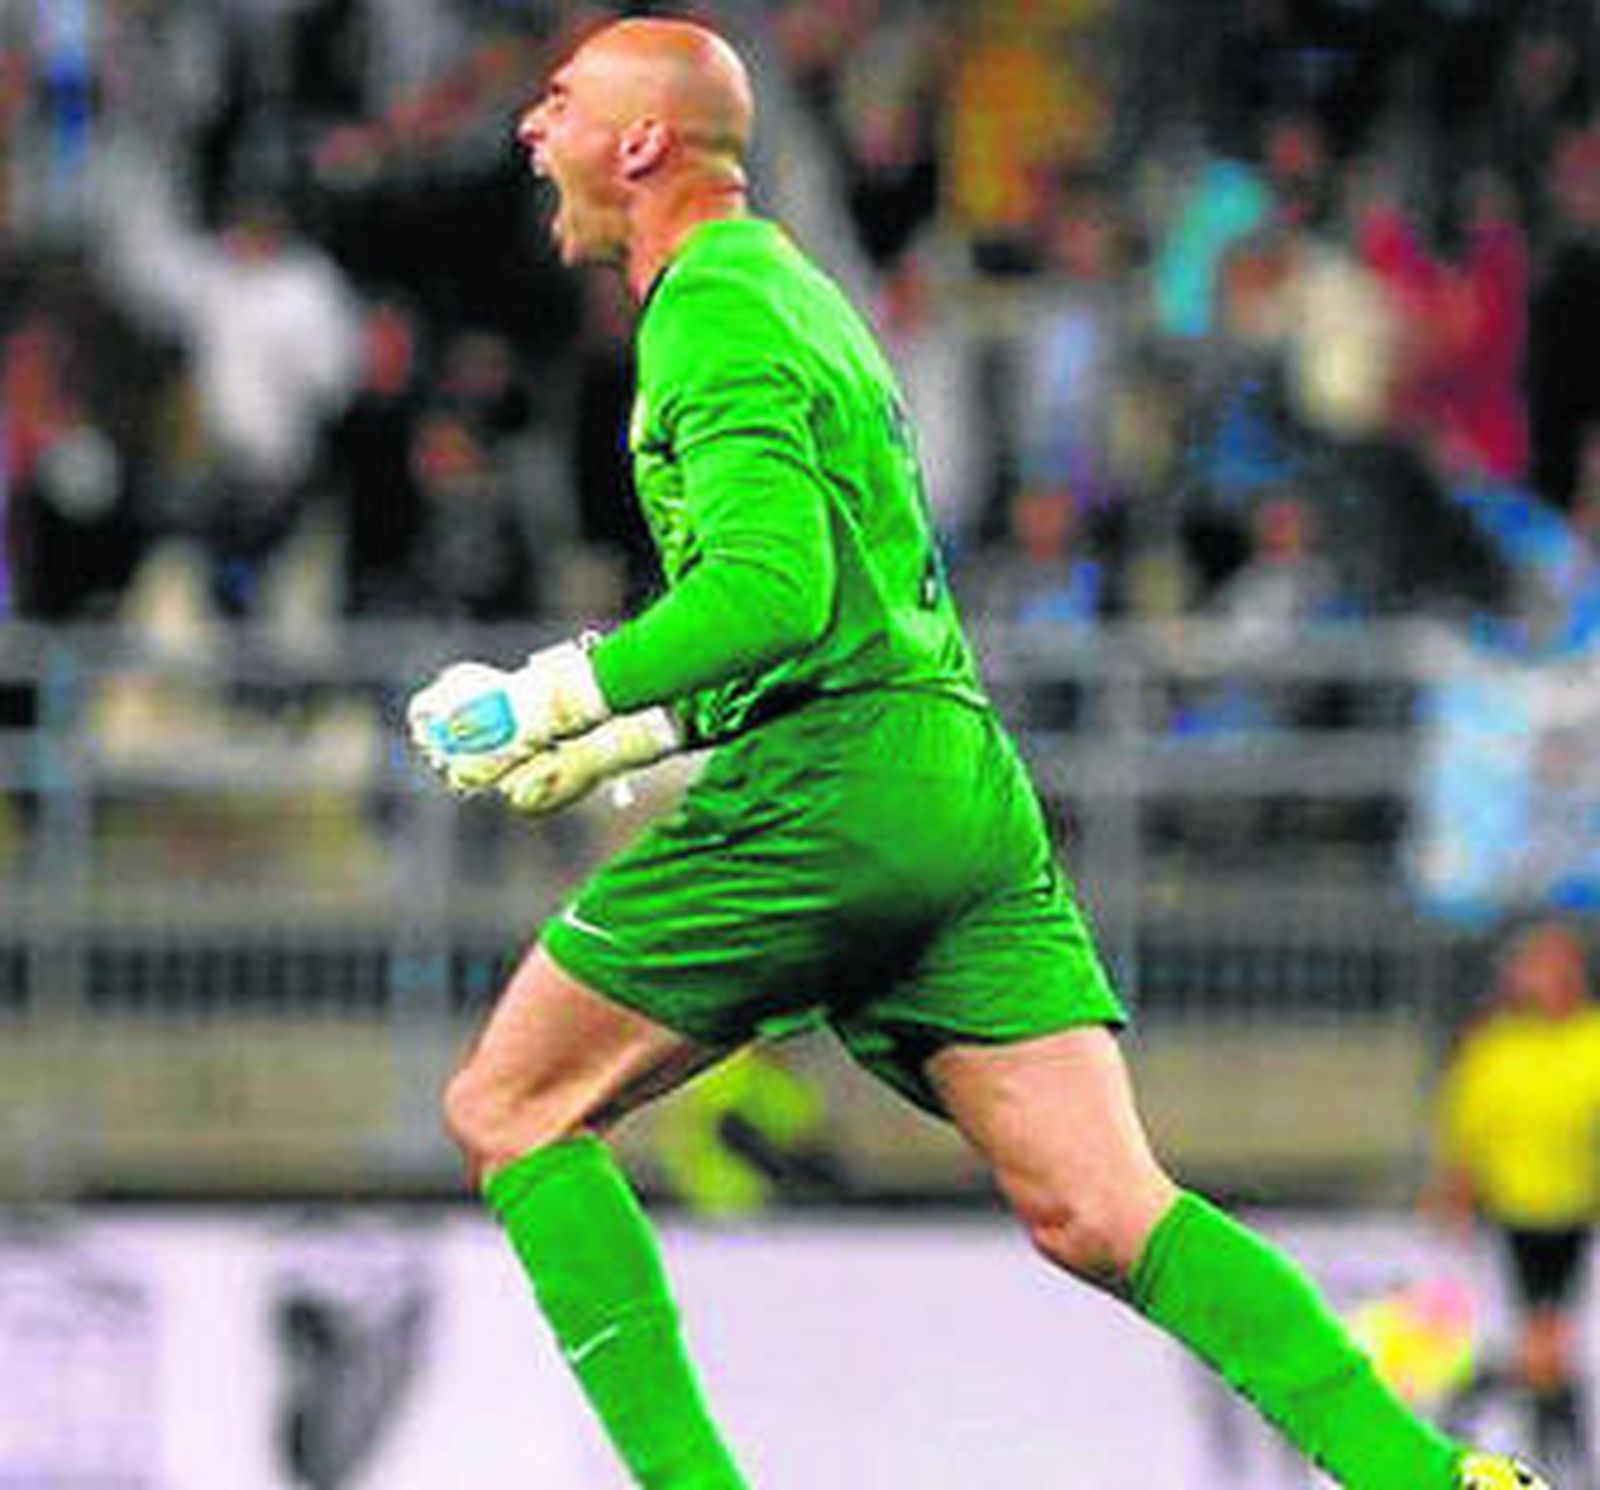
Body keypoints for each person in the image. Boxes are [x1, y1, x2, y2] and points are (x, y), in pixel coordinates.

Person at [405, 17, 1548, 1490]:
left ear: (641, 142)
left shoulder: (706, 313)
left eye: (559, 100)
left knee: (509, 1105)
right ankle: (1429, 1476)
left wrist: (552, 693)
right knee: (1105, 1209)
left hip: (837, 787)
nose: (529, 125)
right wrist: (630, 735)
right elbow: (844, 600)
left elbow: (770, 591)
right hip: (952, 777)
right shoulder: (796, 292)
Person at [1432, 920, 1600, 1486]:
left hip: (1573, 1214)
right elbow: (1467, 1125)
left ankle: (1483, 1407)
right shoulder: (1495, 1046)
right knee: (1541, 1348)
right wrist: (1456, 1190)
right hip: (1508, 1215)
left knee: (1545, 1348)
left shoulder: (1592, 1041)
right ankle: (1560, 1461)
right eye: (1534, 967)